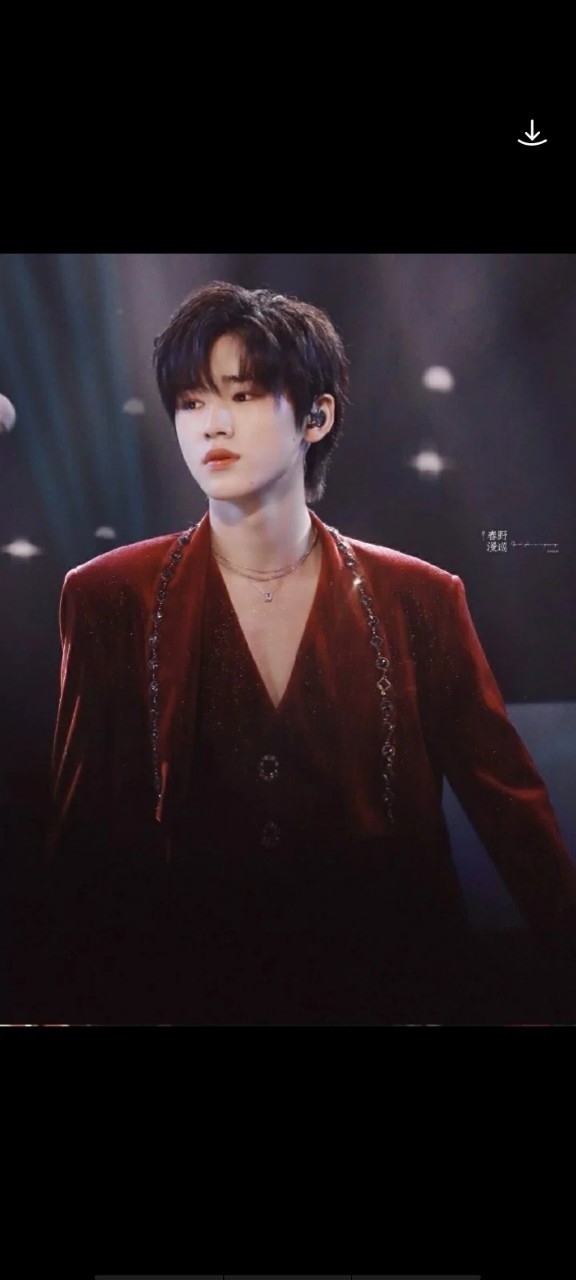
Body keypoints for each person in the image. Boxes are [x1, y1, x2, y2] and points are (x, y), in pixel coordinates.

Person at [39, 280, 576, 1025]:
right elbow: (79, 833)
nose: (211, 423)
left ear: (316, 416)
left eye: (245, 394)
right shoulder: (109, 595)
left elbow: (510, 807)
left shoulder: (418, 597)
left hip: (386, 989)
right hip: (181, 991)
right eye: (190, 402)